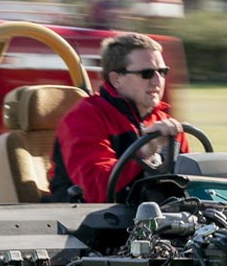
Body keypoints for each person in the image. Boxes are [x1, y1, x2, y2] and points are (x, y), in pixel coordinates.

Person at [50, 33, 189, 203]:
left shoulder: (164, 122)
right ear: (116, 79)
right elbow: (96, 190)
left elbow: (190, 181)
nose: (157, 81)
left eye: (162, 72)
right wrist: (145, 152)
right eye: (147, 73)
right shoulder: (84, 118)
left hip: (149, 218)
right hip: (82, 220)